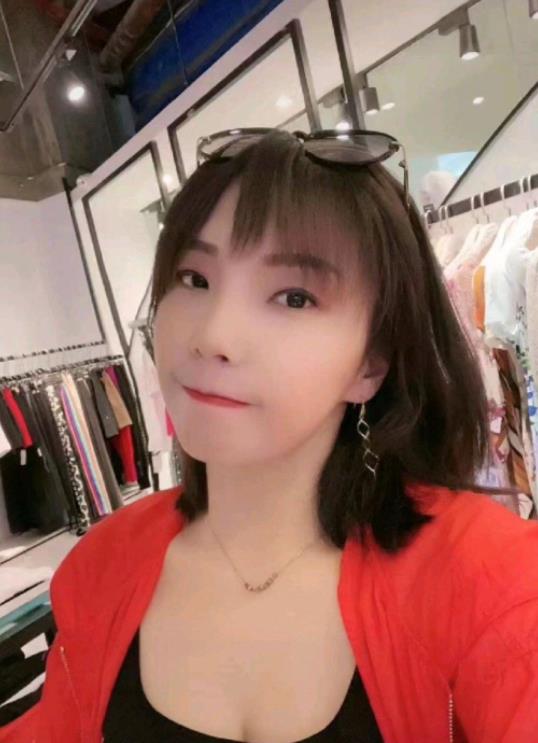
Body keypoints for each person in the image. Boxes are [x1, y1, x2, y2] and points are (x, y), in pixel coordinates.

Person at [2, 128, 538, 743]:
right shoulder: (103, 564)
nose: (214, 336)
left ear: (371, 364)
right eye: (194, 279)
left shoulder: (489, 581)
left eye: (294, 297)